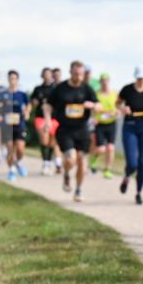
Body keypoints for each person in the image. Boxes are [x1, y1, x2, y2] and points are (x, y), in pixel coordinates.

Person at [47, 60, 97, 202]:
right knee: (71, 158)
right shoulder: (60, 88)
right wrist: (47, 120)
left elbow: (98, 105)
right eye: (76, 74)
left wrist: (92, 105)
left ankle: (79, 190)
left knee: (82, 161)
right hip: (65, 129)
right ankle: (67, 173)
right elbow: (48, 105)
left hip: (82, 129)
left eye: (81, 74)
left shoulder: (87, 89)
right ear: (70, 72)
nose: (78, 77)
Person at [118, 66, 143, 205]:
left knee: (142, 163)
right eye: (139, 78)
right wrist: (123, 108)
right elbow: (118, 103)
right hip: (129, 127)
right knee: (132, 163)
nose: (141, 81)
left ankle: (139, 193)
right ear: (135, 77)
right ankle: (127, 176)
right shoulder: (127, 89)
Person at [0, 70, 29, 181]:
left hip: (19, 124)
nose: (12, 80)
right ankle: (11, 170)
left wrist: (27, 113)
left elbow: (27, 106)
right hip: (7, 125)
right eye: (10, 78)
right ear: (8, 79)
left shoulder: (22, 94)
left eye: (14, 78)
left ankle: (17, 162)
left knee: (20, 149)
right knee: (10, 149)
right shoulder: (3, 94)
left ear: (17, 80)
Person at [30, 68, 60, 175]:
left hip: (54, 118)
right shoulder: (38, 89)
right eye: (45, 74)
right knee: (44, 139)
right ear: (42, 76)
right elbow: (32, 102)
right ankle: (45, 163)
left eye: (49, 74)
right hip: (41, 117)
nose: (47, 76)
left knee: (52, 142)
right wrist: (34, 103)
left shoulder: (56, 89)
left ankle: (50, 162)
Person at [91, 73, 117, 179]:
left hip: (111, 123)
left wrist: (115, 113)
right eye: (103, 80)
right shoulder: (96, 94)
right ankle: (94, 159)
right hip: (100, 124)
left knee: (110, 147)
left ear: (109, 81)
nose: (105, 82)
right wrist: (93, 117)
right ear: (100, 82)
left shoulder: (114, 94)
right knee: (101, 149)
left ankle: (107, 170)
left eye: (106, 80)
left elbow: (118, 107)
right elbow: (93, 108)